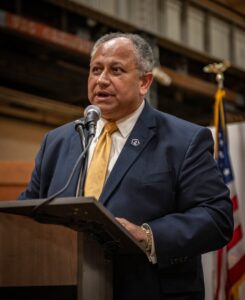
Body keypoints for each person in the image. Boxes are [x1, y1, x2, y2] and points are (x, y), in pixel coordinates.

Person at [19, 32, 233, 300]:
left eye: (116, 70)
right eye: (96, 70)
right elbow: (27, 211)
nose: (101, 80)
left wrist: (148, 235)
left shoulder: (184, 140)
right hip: (62, 284)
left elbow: (217, 218)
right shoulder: (58, 141)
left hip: (146, 289)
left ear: (144, 82)